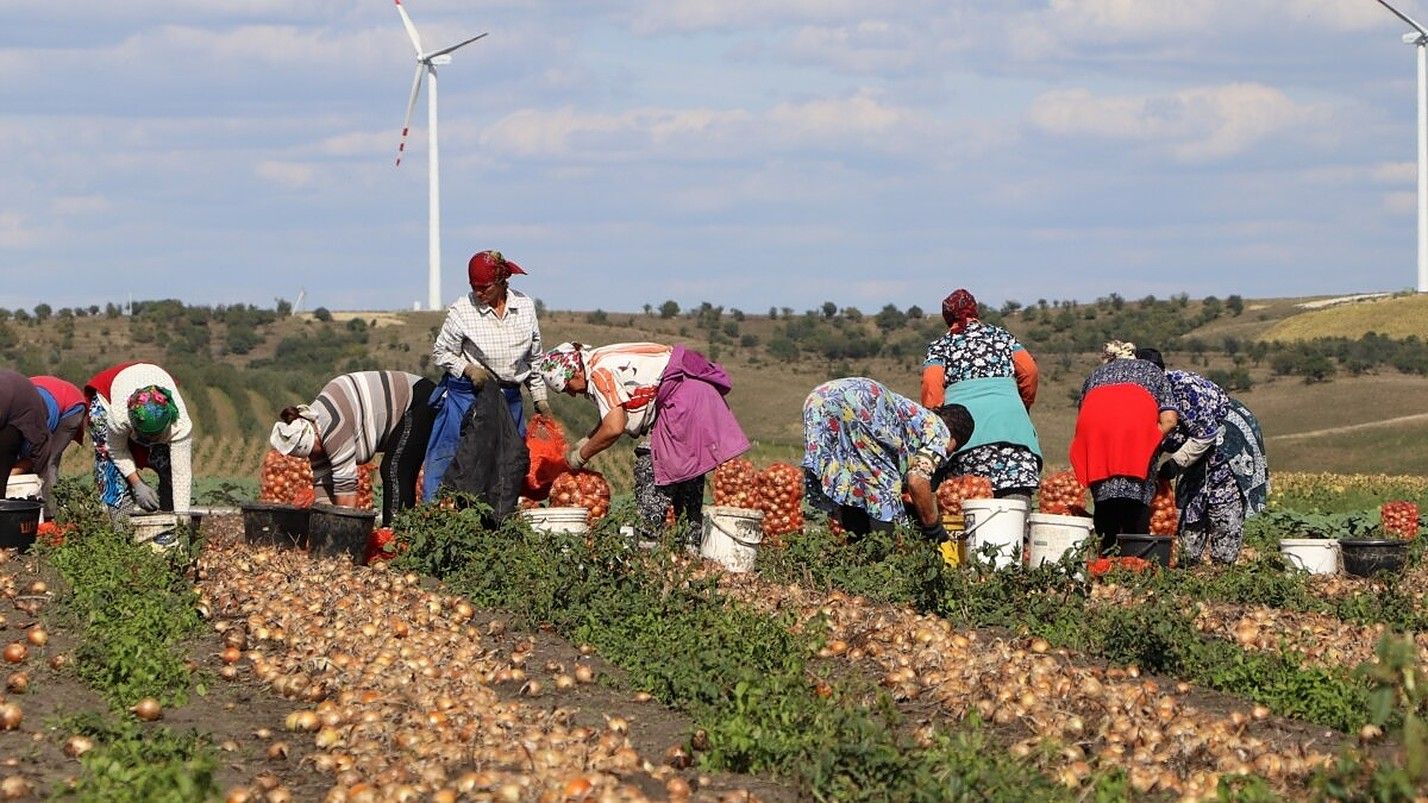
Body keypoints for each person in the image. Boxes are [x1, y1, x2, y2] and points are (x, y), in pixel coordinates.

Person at [538, 342, 750, 546]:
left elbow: (613, 427)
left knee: (652, 467)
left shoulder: (599, 373)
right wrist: (588, 439)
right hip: (694, 395)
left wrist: (580, 456)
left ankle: (649, 545)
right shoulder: (599, 360)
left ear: (573, 373)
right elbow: (614, 413)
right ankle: (691, 545)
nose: (573, 394)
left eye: (567, 388)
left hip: (683, 400)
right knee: (687, 473)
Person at [426, 250, 551, 500]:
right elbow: (441, 352)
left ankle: (496, 524)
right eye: (475, 287)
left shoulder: (524, 307)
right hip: (470, 398)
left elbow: (534, 358)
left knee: (506, 464)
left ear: (502, 282)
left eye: (485, 287)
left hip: (509, 398)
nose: (479, 293)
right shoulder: (463, 310)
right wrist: (468, 369)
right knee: (457, 459)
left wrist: (540, 399)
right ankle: (440, 513)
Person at [1136, 348, 1269, 565]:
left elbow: (1205, 435)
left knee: (1222, 504)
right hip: (1197, 447)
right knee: (1190, 503)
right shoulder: (1142, 395)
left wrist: (1174, 465)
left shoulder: (1183, 389)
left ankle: (1223, 568)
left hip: (1225, 442)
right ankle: (1189, 563)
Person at [802, 377, 974, 539]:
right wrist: (933, 528)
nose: (946, 456)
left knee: (852, 479)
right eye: (951, 451)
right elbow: (917, 480)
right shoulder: (940, 432)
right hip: (861, 403)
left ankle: (858, 547)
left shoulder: (917, 419)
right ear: (954, 440)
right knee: (885, 485)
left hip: (819, 398)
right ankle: (885, 556)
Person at [269, 371, 437, 527]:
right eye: (311, 454)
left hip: (418, 399)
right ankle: (395, 536)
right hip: (398, 412)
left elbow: (346, 487)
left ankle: (397, 539)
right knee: (393, 468)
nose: (316, 456)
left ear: (315, 435)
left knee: (394, 469)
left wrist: (343, 531)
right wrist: (323, 525)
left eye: (314, 451)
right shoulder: (315, 434)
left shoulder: (334, 424)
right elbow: (323, 485)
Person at [921, 288, 1042, 502]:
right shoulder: (1003, 337)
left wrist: (936, 426)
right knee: (1015, 512)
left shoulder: (941, 347)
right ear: (975, 311)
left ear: (947, 317)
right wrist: (1023, 406)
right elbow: (1029, 371)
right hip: (1014, 433)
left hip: (967, 439)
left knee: (972, 508)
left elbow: (932, 389)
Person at [1069, 341, 1179, 548]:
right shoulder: (1153, 371)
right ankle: (1133, 558)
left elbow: (1085, 413)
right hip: (1134, 436)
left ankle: (1106, 553)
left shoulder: (1095, 375)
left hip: (1097, 439)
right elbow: (1170, 420)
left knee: (1105, 499)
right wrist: (1149, 439)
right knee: (1135, 501)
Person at [84, 362, 193, 517]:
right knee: (109, 467)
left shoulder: (180, 426)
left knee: (168, 465)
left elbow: (181, 475)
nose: (149, 441)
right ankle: (121, 529)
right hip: (108, 398)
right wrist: (137, 484)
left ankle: (168, 525)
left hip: (149, 379)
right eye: (146, 437)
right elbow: (115, 449)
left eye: (155, 436)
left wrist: (182, 520)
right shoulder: (120, 417)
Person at [29, 376, 87, 516]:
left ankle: (52, 516)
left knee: (48, 461)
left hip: (70, 404)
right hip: (45, 391)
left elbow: (34, 455)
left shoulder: (30, 422)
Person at [0, 370, 52, 498]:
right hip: (14, 395)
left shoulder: (30, 416)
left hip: (18, 405)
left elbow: (42, 446)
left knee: (2, 462)